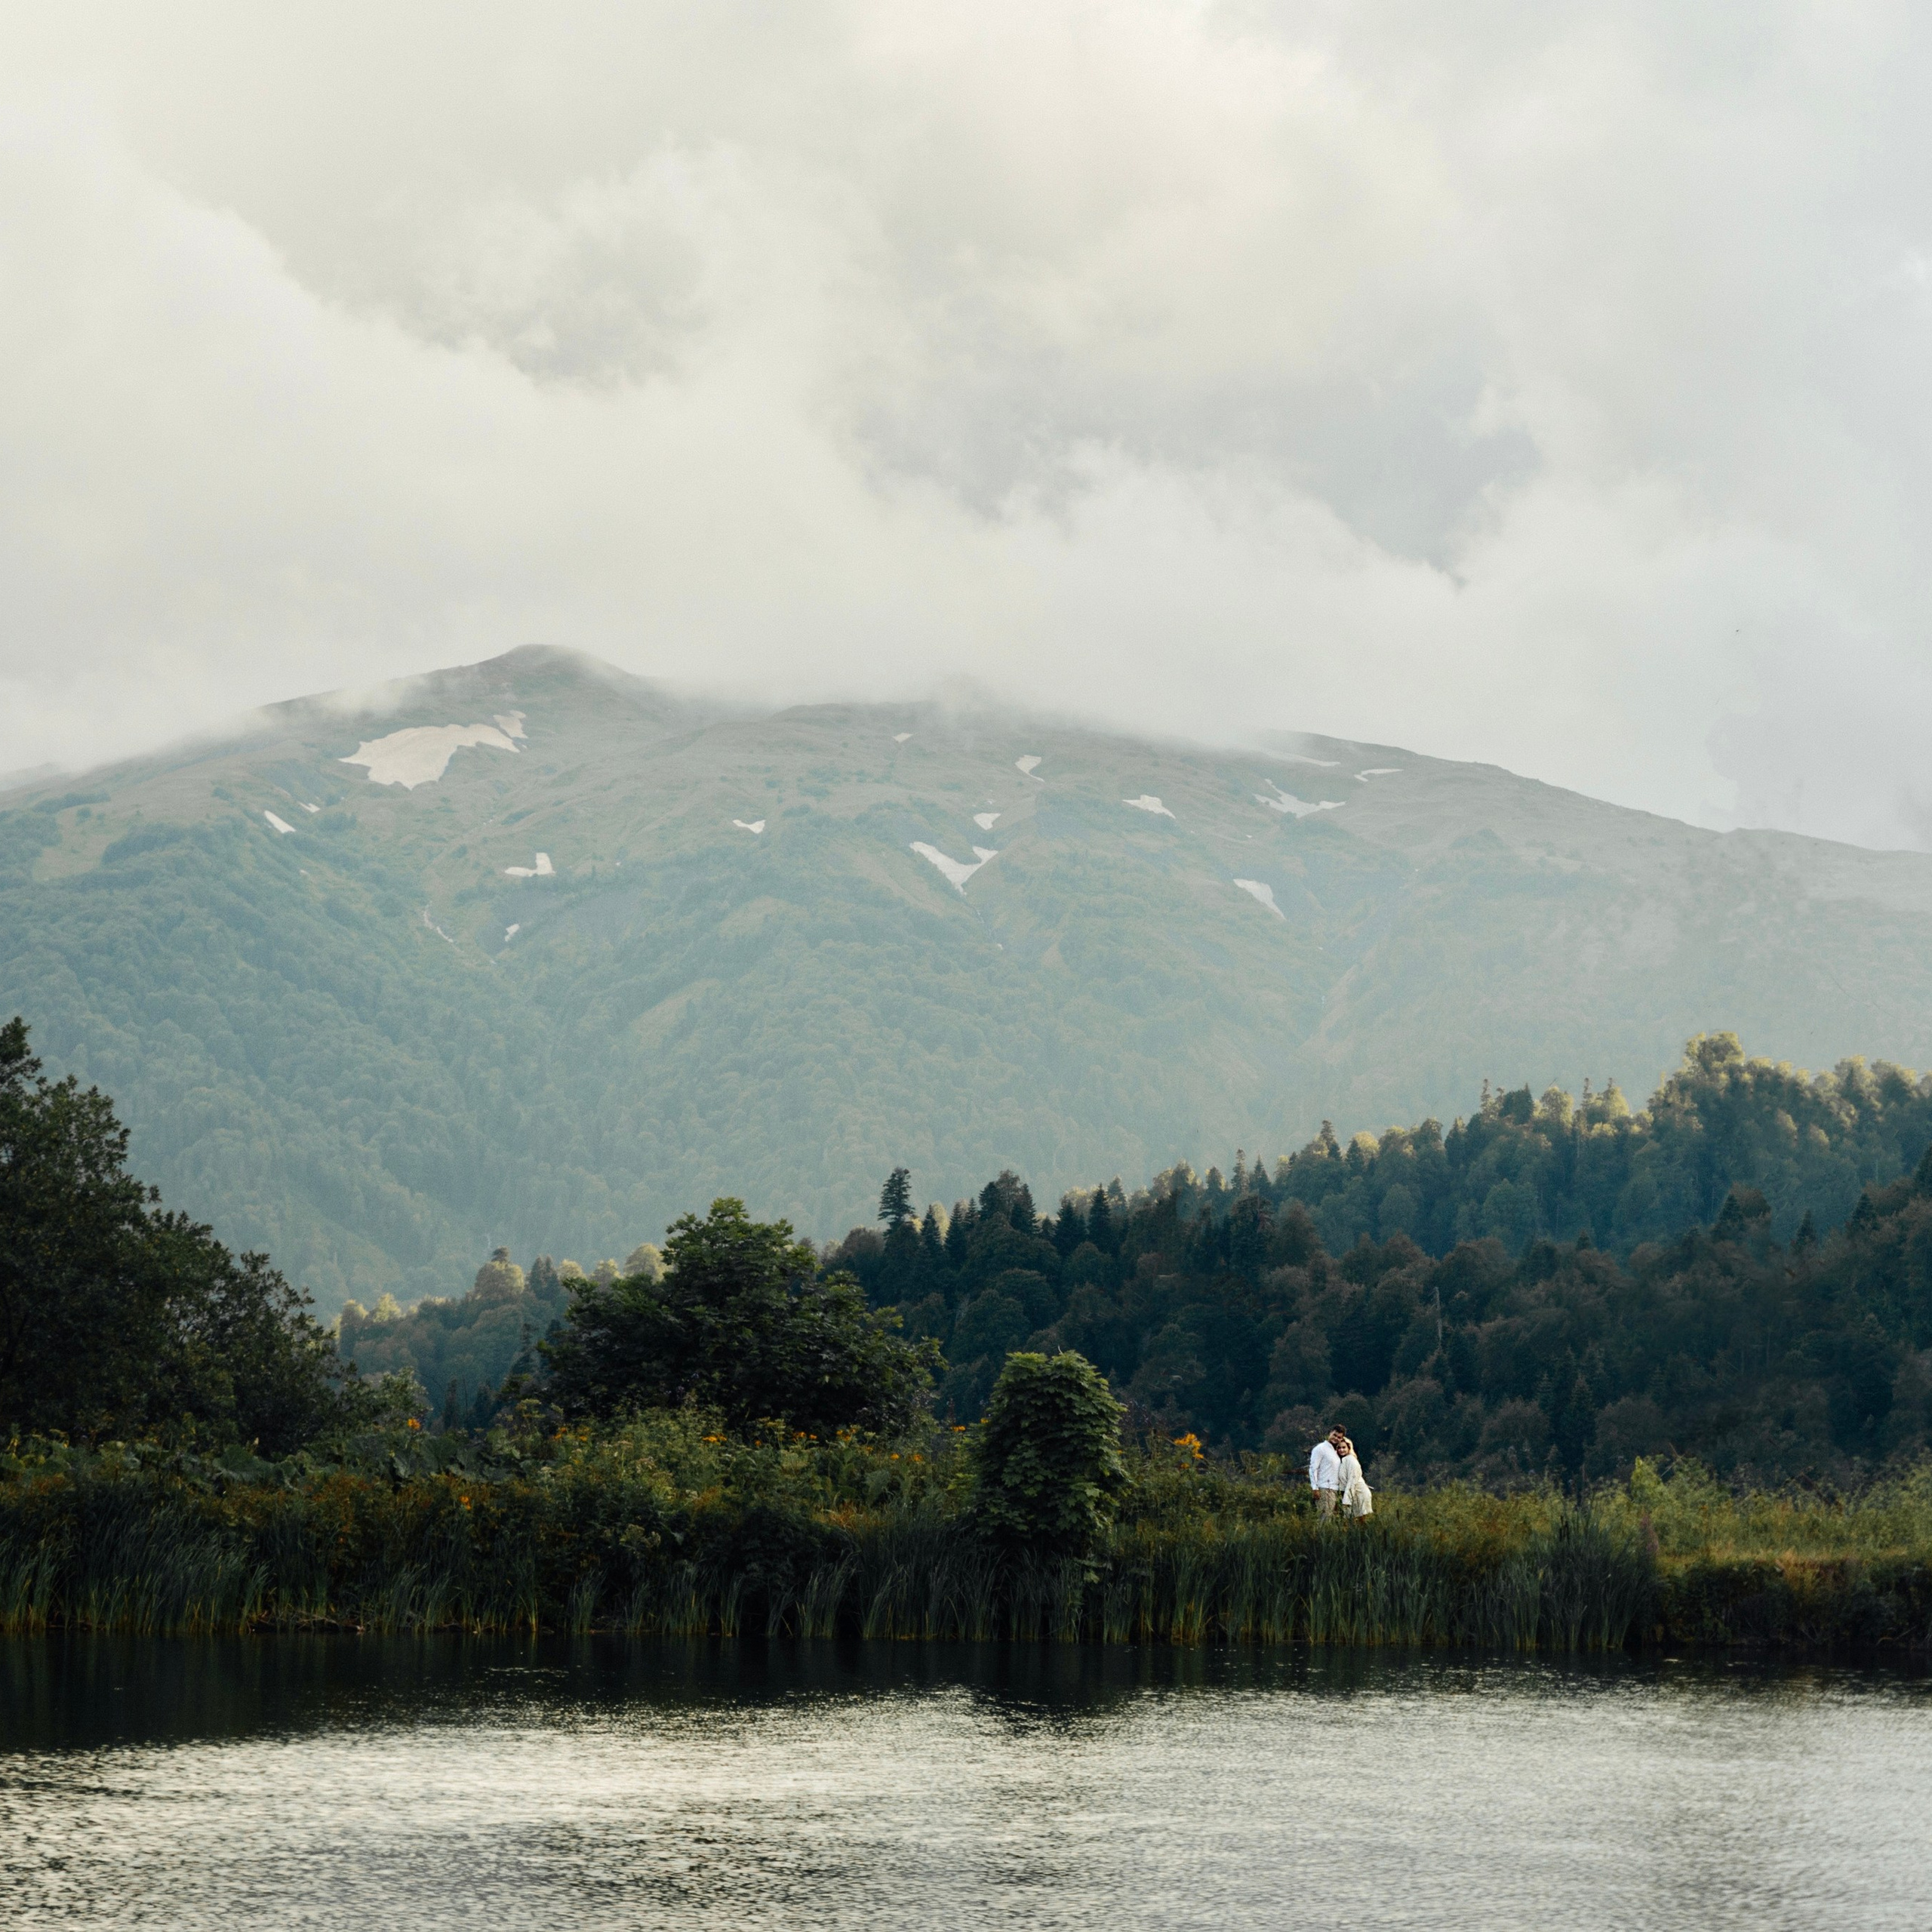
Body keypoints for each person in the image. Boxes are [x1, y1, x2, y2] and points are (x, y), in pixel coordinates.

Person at [1308, 1426, 1345, 1516]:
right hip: (1324, 1488)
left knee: (1329, 1519)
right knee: (1324, 1518)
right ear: (1330, 1433)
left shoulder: (1335, 1452)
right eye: (1334, 1435)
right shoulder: (1320, 1448)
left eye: (1339, 1437)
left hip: (1333, 1489)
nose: (1336, 1438)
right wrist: (1315, 1488)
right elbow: (1313, 1469)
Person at [1337, 1435, 1374, 1519]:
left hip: (1360, 1494)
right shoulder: (1343, 1461)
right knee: (1353, 1521)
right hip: (1352, 1495)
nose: (1341, 1450)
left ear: (1349, 1448)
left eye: (1344, 1447)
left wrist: (1347, 1500)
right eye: (1339, 1448)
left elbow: (1352, 1481)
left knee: (1361, 1521)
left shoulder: (1351, 1460)